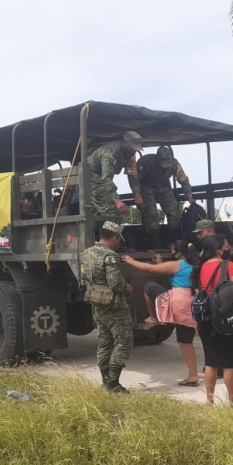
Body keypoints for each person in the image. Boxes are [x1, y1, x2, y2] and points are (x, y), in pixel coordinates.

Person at [120, 240, 200, 386]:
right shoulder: (194, 265)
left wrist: (131, 261)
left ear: (179, 253)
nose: (171, 253)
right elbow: (164, 270)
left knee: (149, 286)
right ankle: (194, 374)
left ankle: (154, 317)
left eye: (172, 250)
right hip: (190, 304)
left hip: (178, 303)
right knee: (185, 341)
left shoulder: (177, 265)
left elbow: (150, 270)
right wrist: (160, 263)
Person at [192, 234, 233, 409]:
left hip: (206, 319)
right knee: (229, 363)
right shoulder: (228, 266)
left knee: (210, 362)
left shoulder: (199, 267)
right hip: (226, 319)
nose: (228, 248)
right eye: (226, 245)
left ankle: (209, 402)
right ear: (218, 249)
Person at [80, 221, 134, 393]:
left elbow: (83, 279)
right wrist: (128, 287)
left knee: (104, 342)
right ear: (115, 237)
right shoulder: (111, 256)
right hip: (115, 306)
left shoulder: (87, 253)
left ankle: (105, 381)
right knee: (124, 342)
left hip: (97, 304)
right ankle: (113, 382)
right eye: (118, 239)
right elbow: (115, 282)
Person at [132, 145, 195, 248]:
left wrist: (189, 196)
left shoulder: (174, 163)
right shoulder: (144, 162)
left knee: (174, 212)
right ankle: (155, 242)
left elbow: (183, 179)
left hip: (165, 187)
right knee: (151, 215)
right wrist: (137, 194)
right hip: (147, 188)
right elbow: (135, 180)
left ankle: (174, 240)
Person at [86, 131, 143, 218]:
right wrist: (116, 201)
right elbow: (106, 179)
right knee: (113, 211)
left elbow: (131, 174)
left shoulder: (130, 154)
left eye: (136, 149)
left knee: (105, 213)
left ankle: (102, 229)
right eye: (132, 148)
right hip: (91, 178)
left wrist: (137, 193)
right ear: (124, 143)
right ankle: (110, 229)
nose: (134, 151)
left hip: (103, 181)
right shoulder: (109, 154)